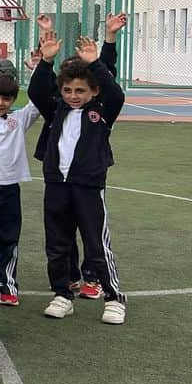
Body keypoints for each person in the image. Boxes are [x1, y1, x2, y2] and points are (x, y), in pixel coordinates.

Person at [28, 33, 127, 324]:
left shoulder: (102, 112)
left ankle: (113, 297)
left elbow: (116, 94)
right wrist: (46, 61)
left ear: (93, 92)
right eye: (68, 90)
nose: (73, 95)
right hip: (57, 185)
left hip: (88, 186)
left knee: (96, 244)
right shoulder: (56, 109)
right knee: (57, 243)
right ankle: (62, 294)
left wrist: (95, 62)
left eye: (80, 90)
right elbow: (36, 91)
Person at [0, 72, 42, 306]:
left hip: (9, 189)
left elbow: (37, 102)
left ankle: (7, 283)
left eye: (7, 98)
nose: (0, 102)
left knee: (9, 238)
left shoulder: (18, 120)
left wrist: (39, 69)